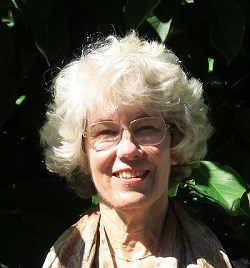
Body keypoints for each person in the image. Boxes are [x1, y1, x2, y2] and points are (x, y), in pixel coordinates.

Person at [40, 31, 232, 267]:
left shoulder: (216, 259)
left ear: (176, 139)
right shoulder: (62, 260)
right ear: (82, 151)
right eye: (106, 132)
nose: (128, 149)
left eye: (146, 128)